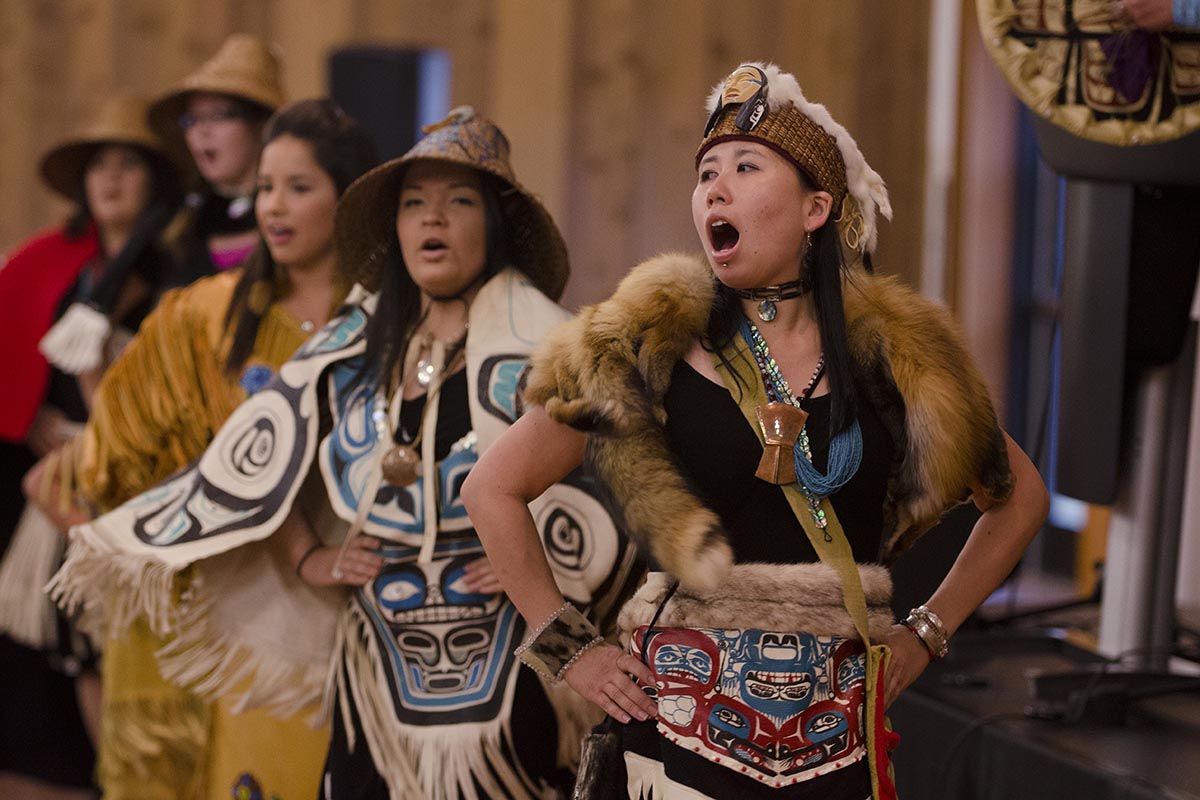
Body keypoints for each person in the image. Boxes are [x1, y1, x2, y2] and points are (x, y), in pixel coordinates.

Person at [461, 63, 1050, 799]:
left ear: (816, 209)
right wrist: (569, 648)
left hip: (838, 747)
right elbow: (492, 488)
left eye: (746, 167)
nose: (716, 186)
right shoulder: (648, 343)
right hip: (673, 745)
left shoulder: (900, 362)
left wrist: (926, 634)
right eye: (706, 172)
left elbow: (1018, 496)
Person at [53, 107, 639, 800]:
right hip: (377, 665)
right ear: (394, 227)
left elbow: (618, 484)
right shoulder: (354, 346)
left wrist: (532, 546)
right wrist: (308, 555)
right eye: (414, 204)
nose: (433, 220)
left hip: (511, 660)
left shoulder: (554, 347)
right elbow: (257, 462)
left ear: (496, 223)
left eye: (457, 202)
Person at [41, 98, 378, 800]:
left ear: (347, 198)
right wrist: (108, 518)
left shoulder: (387, 318)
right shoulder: (203, 318)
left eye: (298, 187)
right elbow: (107, 453)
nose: (274, 207)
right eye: (264, 188)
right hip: (219, 610)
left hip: (354, 609)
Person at [0, 92, 181, 798]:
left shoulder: (172, 275)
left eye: (127, 165)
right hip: (64, 480)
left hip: (137, 482)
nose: (110, 179)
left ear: (153, 180)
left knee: (131, 650)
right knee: (80, 651)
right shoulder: (64, 268)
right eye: (98, 165)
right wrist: (36, 417)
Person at [149, 32, 285, 287]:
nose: (202, 130)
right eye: (192, 119)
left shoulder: (288, 213)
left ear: (261, 125)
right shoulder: (179, 222)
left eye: (219, 115)